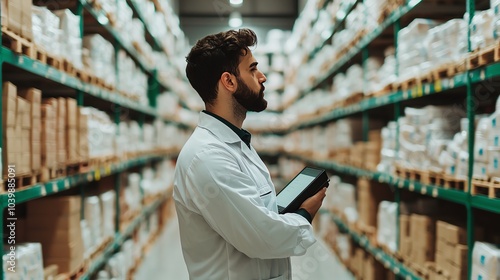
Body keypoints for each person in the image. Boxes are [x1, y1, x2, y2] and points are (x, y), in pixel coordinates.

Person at [173, 28, 327, 280]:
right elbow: (262, 238)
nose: (262, 77)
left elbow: (256, 213)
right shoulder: (208, 157)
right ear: (229, 82)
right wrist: (305, 213)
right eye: (253, 69)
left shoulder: (234, 143)